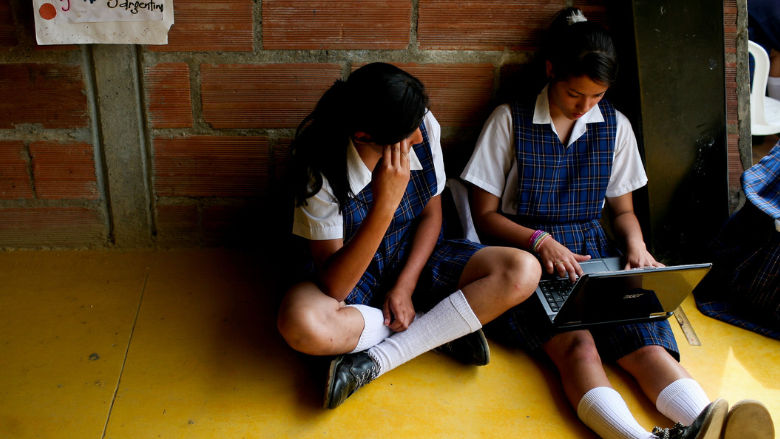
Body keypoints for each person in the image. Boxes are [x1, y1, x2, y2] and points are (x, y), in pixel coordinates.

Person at [461, 8, 775, 439]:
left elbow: (623, 212)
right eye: (575, 93)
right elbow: (485, 218)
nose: (584, 106)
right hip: (526, 257)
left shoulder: (615, 126)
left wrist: (636, 248)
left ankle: (708, 424)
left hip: (595, 252)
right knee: (579, 347)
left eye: (597, 96)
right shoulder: (509, 121)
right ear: (551, 71)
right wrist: (540, 241)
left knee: (645, 342)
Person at [277, 62, 541, 409]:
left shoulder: (422, 124)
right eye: (407, 132)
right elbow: (335, 286)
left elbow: (432, 214)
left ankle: (376, 359)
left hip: (418, 258)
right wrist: (384, 205)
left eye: (418, 123)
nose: (418, 136)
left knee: (523, 270)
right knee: (300, 323)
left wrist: (405, 286)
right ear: (364, 136)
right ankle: (439, 328)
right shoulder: (320, 169)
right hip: (354, 276)